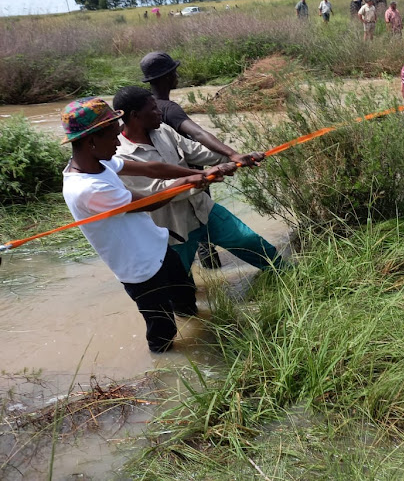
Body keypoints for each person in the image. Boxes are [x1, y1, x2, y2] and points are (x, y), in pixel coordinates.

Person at [60, 97, 214, 353]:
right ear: (91, 142)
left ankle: (205, 338)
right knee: (163, 331)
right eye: (113, 136)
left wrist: (194, 174)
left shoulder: (101, 161)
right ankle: (165, 373)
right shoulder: (87, 189)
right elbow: (153, 202)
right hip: (140, 270)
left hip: (158, 247)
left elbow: (152, 168)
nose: (119, 142)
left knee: (186, 301)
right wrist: (197, 178)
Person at [113, 86, 281, 275]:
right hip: (174, 229)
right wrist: (208, 175)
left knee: (250, 242)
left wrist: (236, 157)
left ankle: (289, 274)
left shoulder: (163, 131)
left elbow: (195, 151)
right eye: (153, 109)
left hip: (203, 210)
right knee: (181, 283)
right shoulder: (121, 157)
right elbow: (158, 192)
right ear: (135, 116)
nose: (160, 112)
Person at [140, 51, 261, 268]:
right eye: (175, 72)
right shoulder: (168, 109)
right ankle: (212, 270)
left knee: (188, 240)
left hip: (171, 191)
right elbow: (198, 135)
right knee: (203, 229)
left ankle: (207, 279)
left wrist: (230, 159)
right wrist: (233, 155)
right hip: (193, 179)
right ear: (168, 77)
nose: (177, 76)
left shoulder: (148, 109)